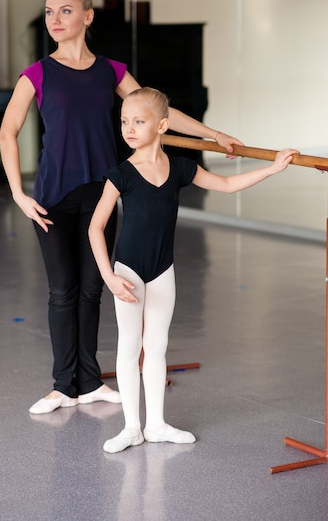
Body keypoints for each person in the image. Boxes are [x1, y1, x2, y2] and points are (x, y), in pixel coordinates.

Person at [0, 0, 243, 416]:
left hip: (101, 191)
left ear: (87, 17)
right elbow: (7, 133)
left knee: (93, 288)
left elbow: (156, 110)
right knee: (62, 292)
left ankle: (89, 382)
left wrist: (211, 134)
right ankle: (62, 385)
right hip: (51, 196)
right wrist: (18, 193)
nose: (55, 20)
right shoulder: (36, 73)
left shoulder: (110, 71)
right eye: (50, 12)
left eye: (66, 11)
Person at [88, 86, 298, 453]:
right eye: (124, 121)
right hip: (128, 271)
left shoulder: (182, 168)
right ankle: (131, 427)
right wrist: (109, 276)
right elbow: (95, 227)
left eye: (139, 121)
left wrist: (274, 168)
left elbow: (229, 185)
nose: (129, 128)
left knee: (156, 347)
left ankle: (156, 425)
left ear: (163, 125)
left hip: (161, 270)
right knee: (128, 347)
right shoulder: (120, 174)